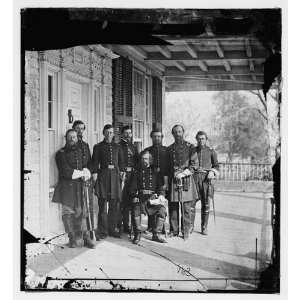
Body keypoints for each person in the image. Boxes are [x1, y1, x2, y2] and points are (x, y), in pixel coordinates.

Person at [52, 129, 96, 248]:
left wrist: (87, 171)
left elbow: (88, 164)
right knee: (68, 213)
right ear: (66, 138)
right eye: (70, 137)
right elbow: (66, 171)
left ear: (77, 138)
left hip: (79, 186)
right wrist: (82, 173)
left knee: (83, 212)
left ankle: (85, 236)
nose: (72, 139)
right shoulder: (60, 153)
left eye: (74, 137)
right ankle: (72, 237)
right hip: (66, 187)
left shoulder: (80, 151)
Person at [91, 124, 125, 239]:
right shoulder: (98, 147)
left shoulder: (118, 147)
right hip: (103, 176)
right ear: (103, 133)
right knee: (102, 205)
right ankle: (102, 231)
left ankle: (112, 229)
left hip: (115, 177)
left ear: (113, 134)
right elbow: (95, 163)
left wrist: (122, 173)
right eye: (107, 132)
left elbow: (122, 163)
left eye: (111, 132)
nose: (109, 134)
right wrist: (95, 177)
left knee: (114, 205)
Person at [129, 150, 167, 244]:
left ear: (151, 160)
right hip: (141, 197)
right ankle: (137, 234)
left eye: (147, 158)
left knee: (162, 209)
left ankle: (156, 234)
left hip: (152, 198)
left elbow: (160, 187)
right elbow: (132, 187)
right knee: (136, 208)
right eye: (143, 158)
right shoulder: (137, 171)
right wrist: (135, 195)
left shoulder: (155, 172)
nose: (144, 160)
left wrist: (161, 195)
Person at [166, 125, 198, 240]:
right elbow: (167, 167)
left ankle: (185, 232)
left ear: (183, 132)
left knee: (186, 207)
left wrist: (184, 173)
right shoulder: (169, 149)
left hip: (186, 179)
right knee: (173, 206)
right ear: (172, 134)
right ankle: (174, 230)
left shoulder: (190, 147)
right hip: (173, 179)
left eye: (180, 131)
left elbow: (194, 165)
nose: (178, 134)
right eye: (175, 132)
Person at [190, 131, 219, 235]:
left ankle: (204, 227)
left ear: (206, 139)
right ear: (196, 139)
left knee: (206, 204)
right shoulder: (192, 151)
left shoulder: (211, 151)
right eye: (199, 138)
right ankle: (190, 227)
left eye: (203, 138)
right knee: (191, 203)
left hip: (206, 179)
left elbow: (216, 166)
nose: (200, 140)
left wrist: (212, 172)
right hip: (194, 178)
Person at [72, 120, 95, 238]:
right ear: (73, 130)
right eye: (77, 129)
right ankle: (79, 234)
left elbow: (90, 162)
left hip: (86, 179)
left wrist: (88, 172)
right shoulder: (71, 145)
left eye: (82, 129)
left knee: (89, 205)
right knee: (79, 207)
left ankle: (91, 232)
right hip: (76, 180)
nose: (80, 131)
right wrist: (80, 173)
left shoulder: (85, 145)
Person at [144, 129, 169, 232]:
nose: (157, 138)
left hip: (163, 179)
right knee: (151, 201)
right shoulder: (147, 151)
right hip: (152, 179)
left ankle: (161, 227)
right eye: (154, 136)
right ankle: (150, 226)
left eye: (159, 136)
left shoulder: (167, 151)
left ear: (162, 137)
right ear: (151, 138)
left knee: (162, 202)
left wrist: (166, 183)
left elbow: (169, 167)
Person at [118, 125, 139, 233]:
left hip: (132, 177)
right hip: (122, 176)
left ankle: (130, 226)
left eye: (129, 133)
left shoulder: (134, 147)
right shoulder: (118, 146)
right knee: (122, 202)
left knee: (131, 201)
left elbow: (137, 162)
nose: (128, 135)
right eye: (126, 133)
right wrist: (120, 172)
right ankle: (122, 225)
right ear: (122, 134)